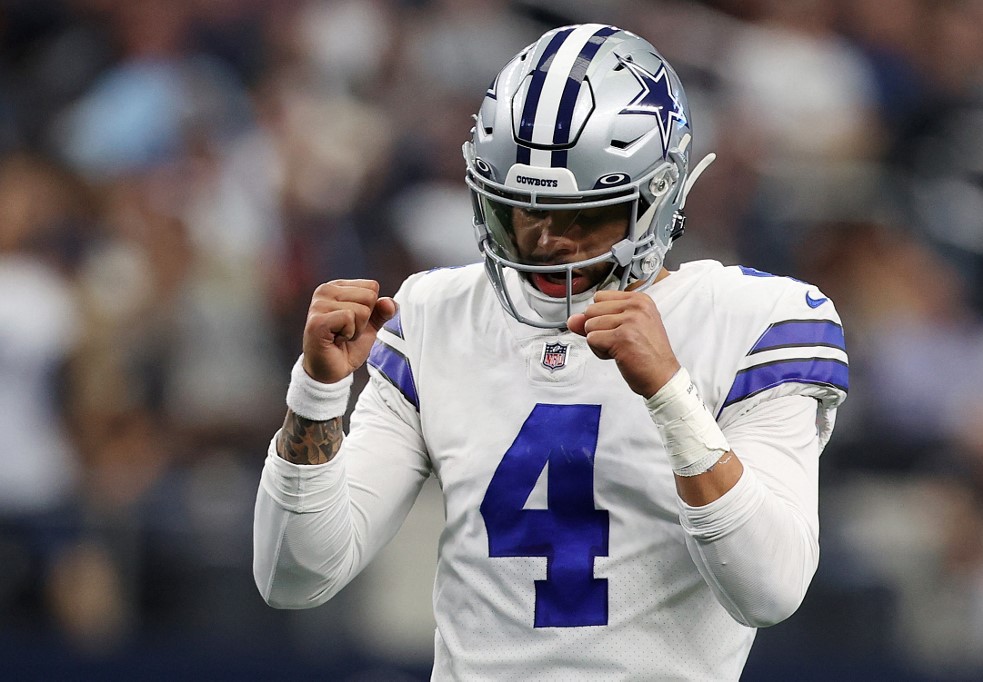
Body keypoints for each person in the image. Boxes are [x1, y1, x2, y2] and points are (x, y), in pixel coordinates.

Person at [253, 23, 848, 680]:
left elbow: (770, 590)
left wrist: (669, 393)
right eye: (523, 210)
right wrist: (315, 391)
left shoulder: (757, 319)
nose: (545, 241)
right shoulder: (432, 314)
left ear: (658, 194)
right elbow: (295, 575)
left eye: (582, 214)